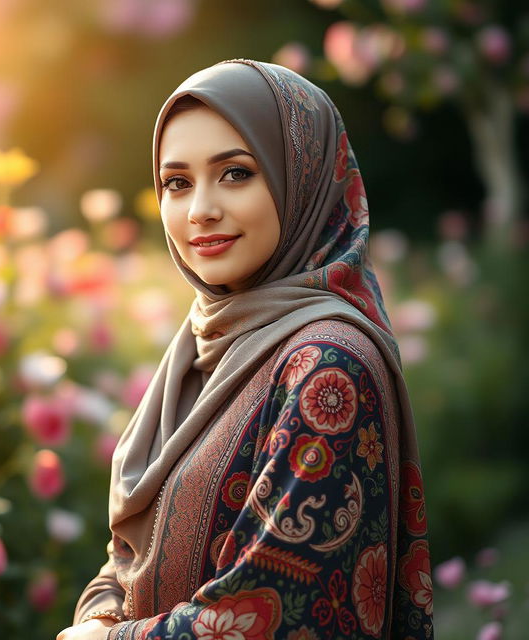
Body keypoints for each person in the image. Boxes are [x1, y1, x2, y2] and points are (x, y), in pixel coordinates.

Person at [56, 58, 433, 640]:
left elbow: (286, 609)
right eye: (177, 183)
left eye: (235, 173)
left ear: (300, 178)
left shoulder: (328, 366)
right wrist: (101, 614)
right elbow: (132, 549)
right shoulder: (203, 345)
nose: (200, 209)